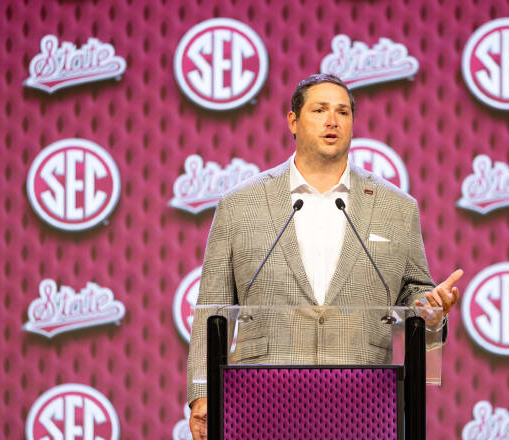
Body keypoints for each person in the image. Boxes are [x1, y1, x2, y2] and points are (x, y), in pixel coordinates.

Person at [187, 73, 462, 439]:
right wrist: (203, 394)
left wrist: (430, 312)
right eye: (319, 110)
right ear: (293, 121)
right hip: (261, 399)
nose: (333, 121)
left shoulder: (396, 207)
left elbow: (417, 295)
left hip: (363, 402)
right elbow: (214, 305)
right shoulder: (240, 204)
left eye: (343, 112)